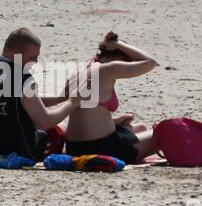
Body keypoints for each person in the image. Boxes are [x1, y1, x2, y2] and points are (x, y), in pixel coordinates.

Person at [0, 28, 80, 161]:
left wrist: (60, 99)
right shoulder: (22, 78)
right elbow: (45, 121)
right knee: (61, 128)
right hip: (15, 151)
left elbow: (17, 101)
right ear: (16, 54)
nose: (36, 62)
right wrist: (72, 102)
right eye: (32, 58)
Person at [64, 31, 160, 164]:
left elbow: (84, 114)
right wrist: (118, 44)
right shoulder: (110, 68)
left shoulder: (78, 72)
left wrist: (114, 121)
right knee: (160, 134)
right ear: (121, 59)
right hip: (105, 148)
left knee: (141, 127)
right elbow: (150, 62)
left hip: (73, 147)